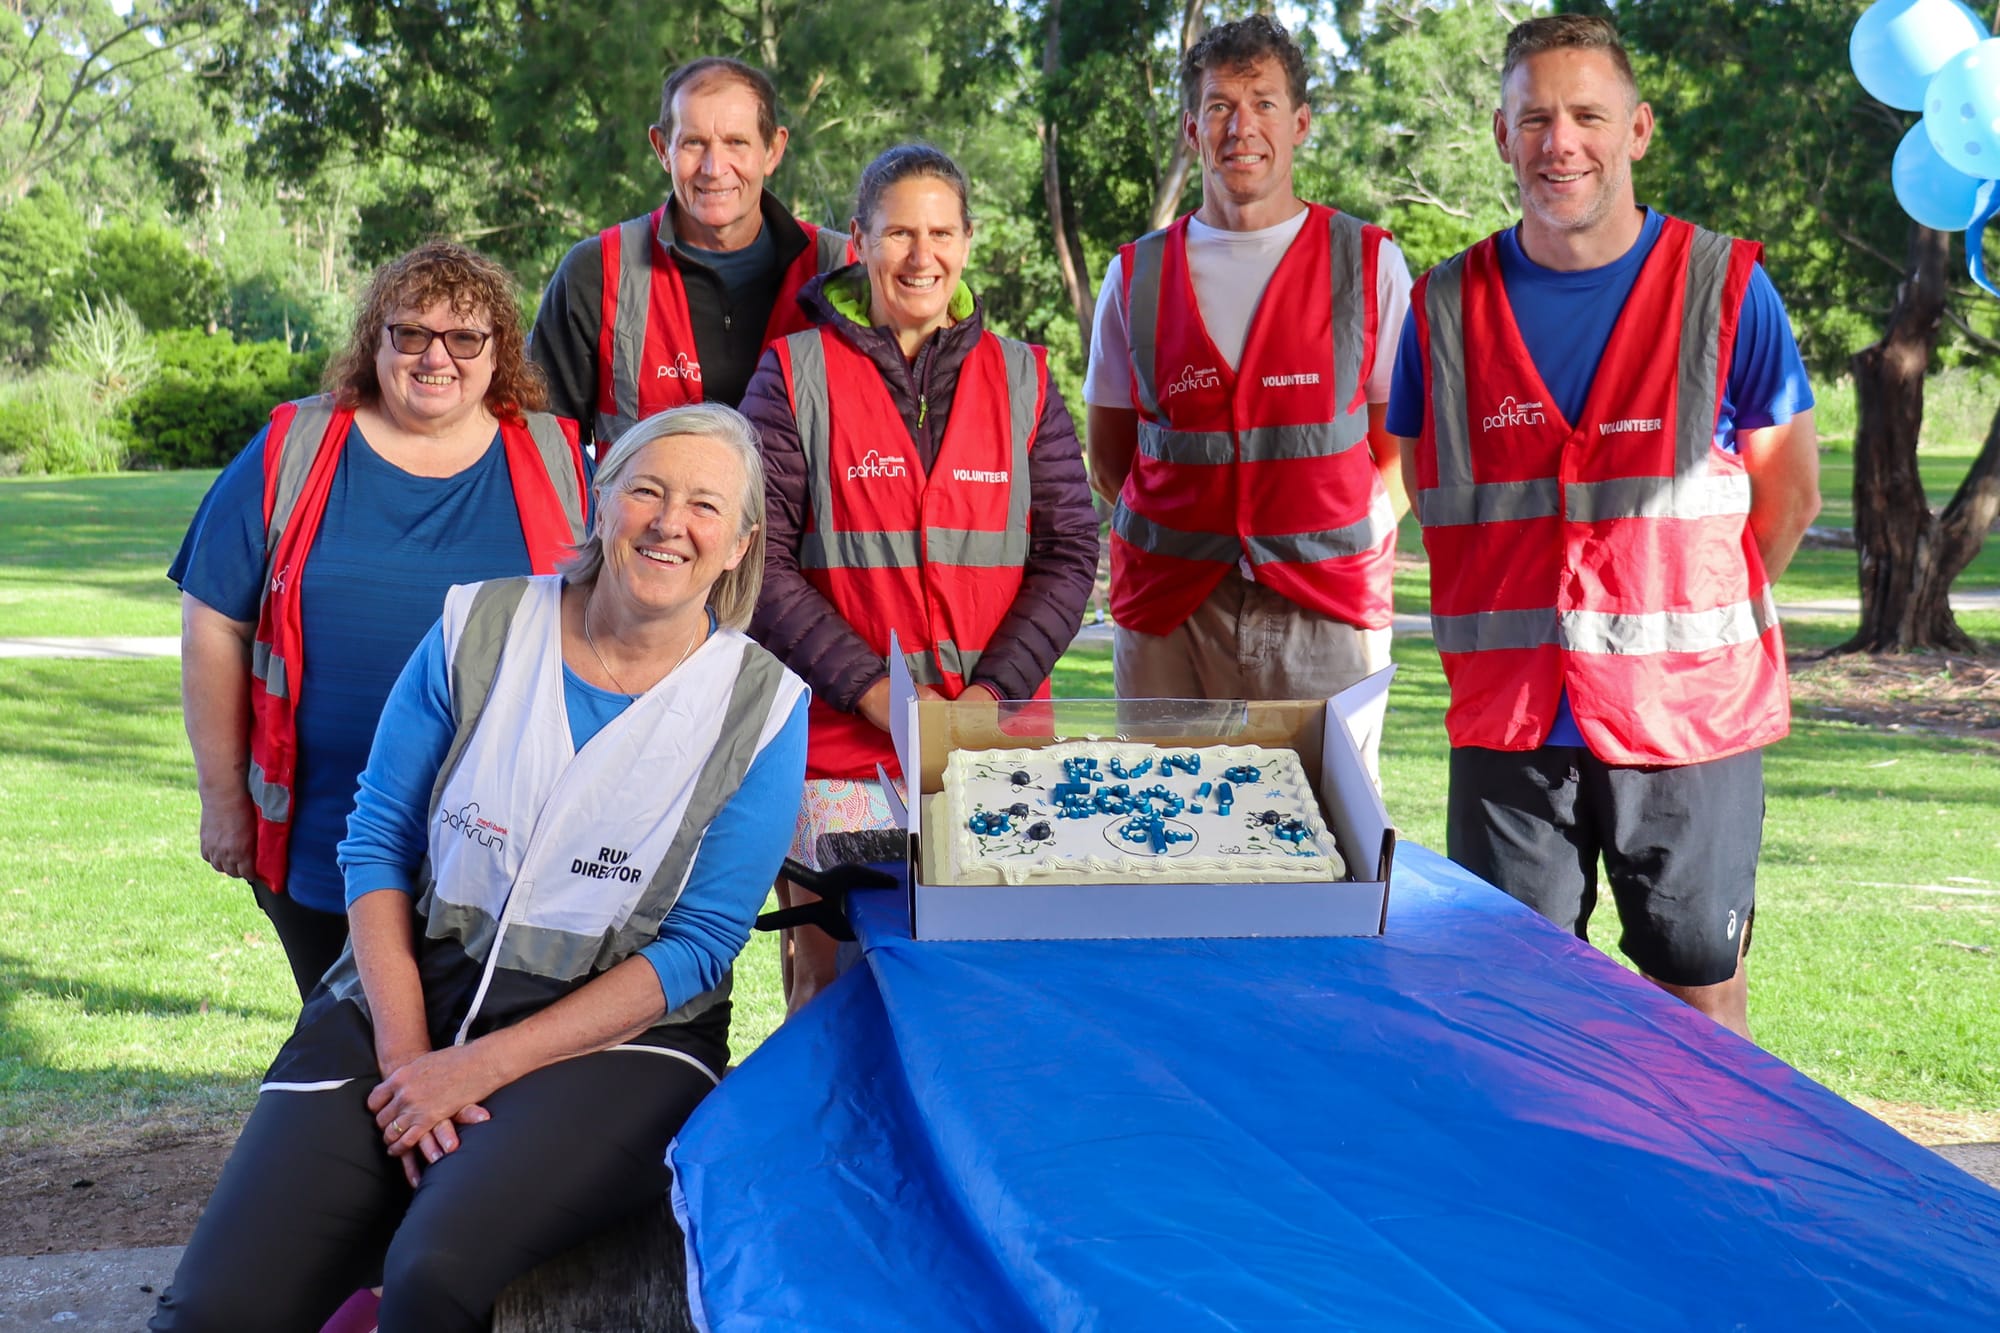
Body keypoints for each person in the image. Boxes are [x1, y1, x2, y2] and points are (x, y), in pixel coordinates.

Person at [151, 405, 810, 1332]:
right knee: (215, 1309)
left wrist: (473, 1071)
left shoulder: (765, 708)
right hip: (404, 1003)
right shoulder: (480, 623)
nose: (670, 523)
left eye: (705, 506)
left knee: (436, 1272)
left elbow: (699, 948)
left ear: (739, 544)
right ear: (601, 500)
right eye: (648, 491)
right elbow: (377, 839)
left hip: (619, 1044)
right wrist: (409, 1058)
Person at [1388, 14, 1821, 1039]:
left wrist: (1673, 619)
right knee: (1509, 1011)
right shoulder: (1442, 309)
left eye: (1585, 114)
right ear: (1499, 136)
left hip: (1687, 726)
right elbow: (1429, 488)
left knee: (1694, 990)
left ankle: (1700, 1194)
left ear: (1636, 130)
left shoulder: (1723, 289)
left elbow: (1788, 495)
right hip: (1509, 727)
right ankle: (1534, 1201)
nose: (1558, 141)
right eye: (1532, 117)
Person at [171, 241, 589, 1001]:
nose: (438, 356)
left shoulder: (560, 458)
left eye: (464, 337)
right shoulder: (294, 445)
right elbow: (212, 623)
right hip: (319, 829)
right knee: (346, 1032)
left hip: (506, 836)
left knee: (472, 1047)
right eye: (412, 333)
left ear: (498, 354)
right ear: (377, 340)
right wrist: (222, 798)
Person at [742, 143, 1099, 1010]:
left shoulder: (1024, 377)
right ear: (859, 242)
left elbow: (1070, 550)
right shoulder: (792, 375)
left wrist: (989, 698)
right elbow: (760, 564)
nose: (921, 255)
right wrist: (874, 692)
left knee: (987, 998)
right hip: (841, 751)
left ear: (968, 241)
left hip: (993, 746)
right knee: (833, 1000)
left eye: (941, 232)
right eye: (899, 232)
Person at [1084, 14, 1412, 772]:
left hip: (1325, 615)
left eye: (1263, 103)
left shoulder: (1368, 263)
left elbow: (1401, 458)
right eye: (1221, 106)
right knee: (1167, 836)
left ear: (1298, 124)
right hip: (1171, 613)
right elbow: (1112, 460)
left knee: (1332, 851)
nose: (1242, 127)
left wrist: (1323, 546)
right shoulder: (1132, 277)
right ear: (1193, 130)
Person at [530, 55, 849, 448]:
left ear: (773, 150)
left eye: (736, 142)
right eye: (694, 143)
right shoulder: (596, 272)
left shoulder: (847, 272)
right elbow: (542, 450)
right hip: (646, 512)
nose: (714, 168)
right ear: (662, 148)